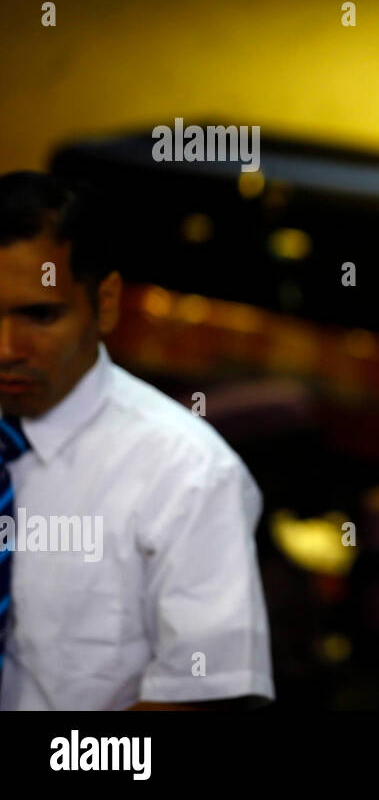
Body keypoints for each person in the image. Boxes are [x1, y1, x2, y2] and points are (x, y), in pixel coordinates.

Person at [0, 171, 274, 710]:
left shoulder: (187, 473)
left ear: (104, 303)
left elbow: (203, 700)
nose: (5, 347)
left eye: (39, 315)